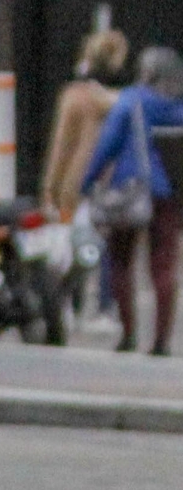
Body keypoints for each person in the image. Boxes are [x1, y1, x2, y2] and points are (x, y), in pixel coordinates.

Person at [81, 45, 183, 355]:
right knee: (163, 266)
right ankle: (161, 341)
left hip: (128, 190)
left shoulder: (130, 101)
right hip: (167, 194)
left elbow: (107, 145)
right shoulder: (177, 108)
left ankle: (128, 335)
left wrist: (88, 182)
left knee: (121, 261)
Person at [44, 29, 127, 222]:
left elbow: (61, 147)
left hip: (75, 188)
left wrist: (49, 190)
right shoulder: (127, 102)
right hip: (115, 191)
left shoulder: (74, 96)